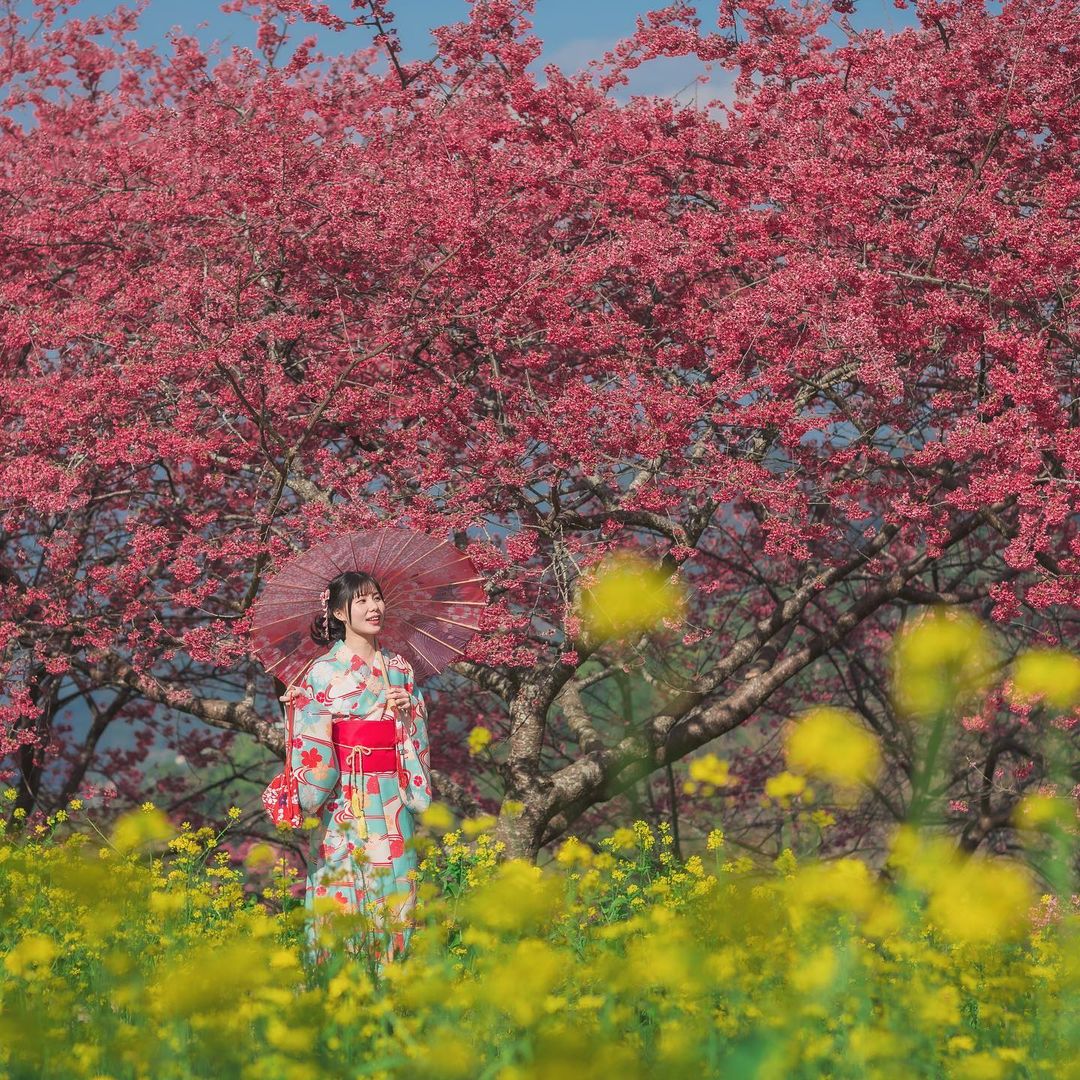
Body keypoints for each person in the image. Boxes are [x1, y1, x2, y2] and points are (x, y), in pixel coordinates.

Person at [280, 570, 432, 973]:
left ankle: (390, 979)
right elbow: (311, 741)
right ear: (338, 612)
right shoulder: (321, 672)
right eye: (361, 600)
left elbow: (414, 726)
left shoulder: (399, 667)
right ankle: (337, 980)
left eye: (377, 598)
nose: (374, 607)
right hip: (342, 795)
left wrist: (409, 710)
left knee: (395, 887)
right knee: (342, 883)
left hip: (390, 794)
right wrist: (294, 710)